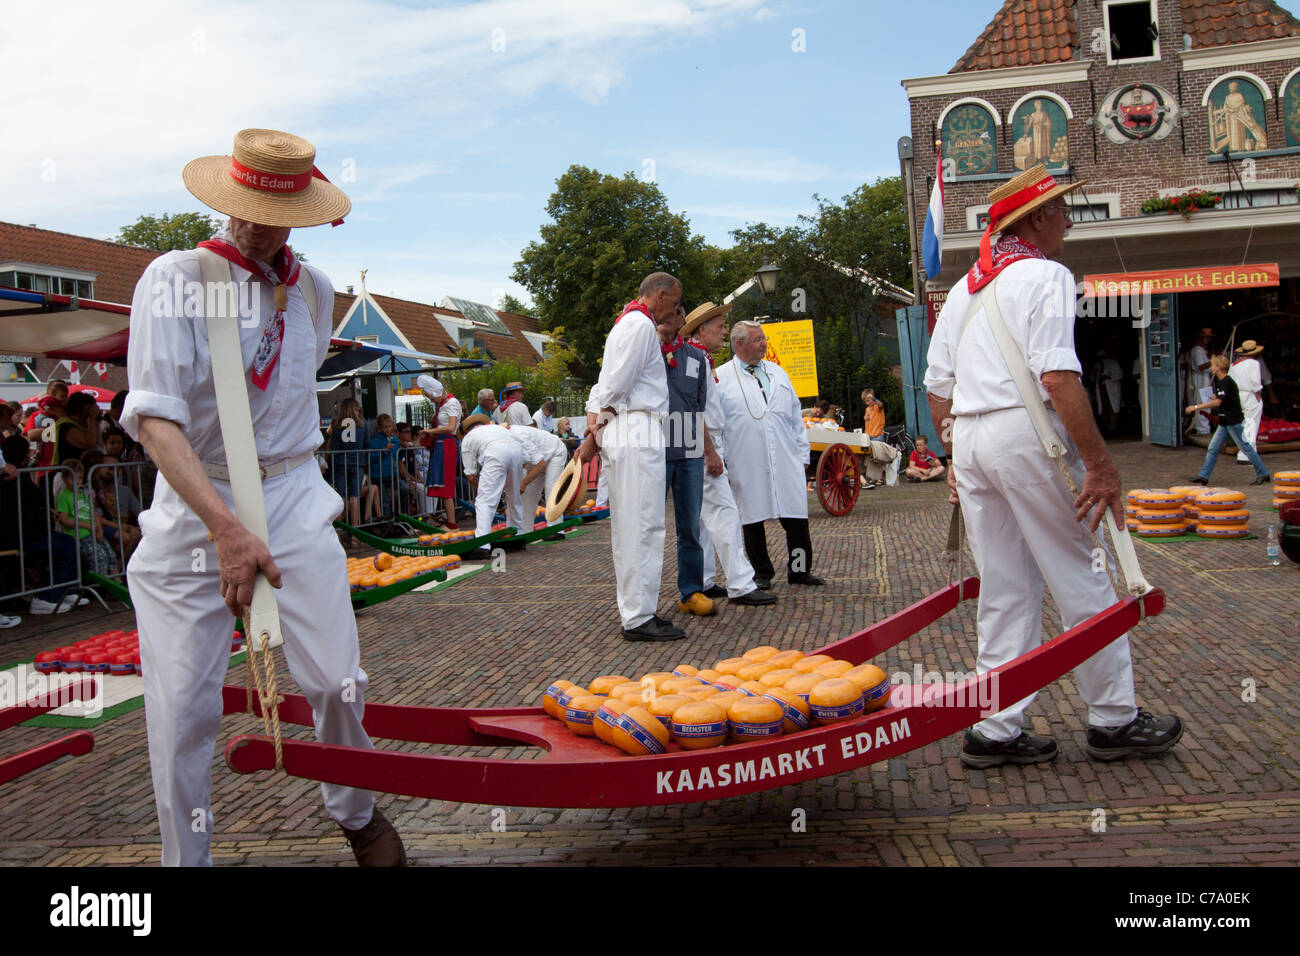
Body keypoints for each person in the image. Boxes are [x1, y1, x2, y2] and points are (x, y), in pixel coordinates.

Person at [120, 128, 404, 866]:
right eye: (240, 204)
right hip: (194, 502)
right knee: (182, 709)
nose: (251, 221)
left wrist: (273, 512)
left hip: (292, 491)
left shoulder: (312, 287)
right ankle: (188, 861)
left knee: (339, 681)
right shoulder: (174, 276)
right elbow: (153, 418)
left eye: (269, 209)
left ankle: (357, 810)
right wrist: (223, 526)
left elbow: (285, 399)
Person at [924, 164, 1182, 768]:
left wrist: (956, 453)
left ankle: (997, 727)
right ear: (1037, 219)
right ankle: (1113, 719)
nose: (1068, 218)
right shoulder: (1045, 275)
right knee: (1082, 573)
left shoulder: (966, 287)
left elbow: (938, 385)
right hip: (1026, 433)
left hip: (973, 437)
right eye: (1061, 209)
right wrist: (1100, 464)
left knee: (1006, 588)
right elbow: (1059, 376)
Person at [576, 273, 682, 641]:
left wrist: (598, 429)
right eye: (674, 301)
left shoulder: (628, 323)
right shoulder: (639, 325)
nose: (674, 309)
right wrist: (595, 433)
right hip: (636, 428)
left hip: (631, 427)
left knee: (636, 524)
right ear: (662, 295)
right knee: (642, 524)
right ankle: (638, 617)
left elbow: (607, 383)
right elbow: (616, 385)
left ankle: (640, 609)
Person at [681, 302, 776, 608]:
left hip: (700, 442)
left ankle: (705, 580)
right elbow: (694, 409)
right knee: (725, 513)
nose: (724, 331)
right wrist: (710, 451)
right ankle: (740, 583)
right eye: (720, 326)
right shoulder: (695, 359)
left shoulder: (697, 358)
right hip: (703, 443)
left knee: (705, 517)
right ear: (701, 330)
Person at [716, 320, 822, 589]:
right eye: (757, 339)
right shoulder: (721, 377)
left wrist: (802, 454)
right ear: (739, 344)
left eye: (763, 338)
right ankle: (762, 573)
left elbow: (795, 415)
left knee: (796, 516)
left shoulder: (777, 372)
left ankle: (799, 570)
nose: (764, 343)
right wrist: (721, 457)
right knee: (751, 516)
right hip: (745, 457)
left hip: (785, 455)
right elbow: (715, 421)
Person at [657, 303, 715, 617]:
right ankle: (643, 599)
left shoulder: (697, 359)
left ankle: (690, 592)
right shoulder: (645, 354)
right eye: (660, 317)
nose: (667, 321)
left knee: (690, 526)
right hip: (654, 452)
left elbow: (699, 410)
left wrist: (708, 450)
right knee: (649, 528)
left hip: (689, 453)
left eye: (673, 315)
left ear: (682, 319)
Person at [1187, 354, 1271, 486]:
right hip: (1225, 421)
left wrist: (1196, 407)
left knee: (1245, 448)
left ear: (1219, 367)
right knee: (1213, 448)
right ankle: (1203, 476)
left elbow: (1218, 402)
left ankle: (1263, 473)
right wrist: (1216, 396)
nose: (1212, 367)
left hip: (1232, 421)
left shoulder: (1226, 381)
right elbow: (1223, 397)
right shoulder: (1223, 381)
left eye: (1213, 365)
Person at [459, 414, 526, 554]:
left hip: (495, 452)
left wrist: (485, 487)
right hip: (516, 450)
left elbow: (470, 475)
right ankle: (518, 535)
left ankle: (483, 544)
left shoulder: (468, 439)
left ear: (466, 431)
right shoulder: (496, 428)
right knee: (514, 497)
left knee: (485, 500)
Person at [507, 420, 569, 533]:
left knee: (551, 489)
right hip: (539, 459)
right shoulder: (508, 439)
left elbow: (540, 464)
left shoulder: (520, 437)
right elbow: (524, 463)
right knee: (527, 495)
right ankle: (525, 531)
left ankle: (556, 529)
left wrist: (523, 483)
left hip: (555, 452)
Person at [417, 374, 460, 529]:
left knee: (445, 484)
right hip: (442, 444)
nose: (432, 400)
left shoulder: (451, 403)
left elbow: (451, 427)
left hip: (446, 444)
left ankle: (452, 523)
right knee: (443, 484)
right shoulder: (445, 404)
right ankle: (450, 521)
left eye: (431, 397)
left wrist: (431, 431)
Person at [328, 397, 370, 540]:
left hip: (340, 463)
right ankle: (355, 536)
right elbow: (367, 444)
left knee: (341, 498)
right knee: (355, 498)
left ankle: (339, 534)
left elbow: (333, 447)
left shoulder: (336, 425)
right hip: (357, 462)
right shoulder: (363, 424)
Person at [1230, 340, 1266, 464]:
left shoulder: (1234, 364)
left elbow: (1230, 381)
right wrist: (1258, 395)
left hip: (1237, 395)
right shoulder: (1254, 363)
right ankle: (1247, 455)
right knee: (1251, 424)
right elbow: (1256, 382)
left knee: (1245, 423)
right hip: (1250, 394)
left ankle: (1246, 452)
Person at [52, 392, 102, 465]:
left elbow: (100, 445)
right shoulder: (66, 426)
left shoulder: (85, 425)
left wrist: (97, 424)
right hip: (67, 472)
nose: (92, 411)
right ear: (79, 409)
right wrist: (92, 419)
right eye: (89, 409)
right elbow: (90, 443)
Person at [367, 413, 401, 518]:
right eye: (385, 427)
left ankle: (402, 515)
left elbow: (398, 456)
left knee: (404, 490)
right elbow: (371, 458)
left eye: (389, 426)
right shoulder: (375, 441)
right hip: (379, 475)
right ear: (380, 428)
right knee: (385, 500)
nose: (387, 429)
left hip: (392, 473)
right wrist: (383, 450)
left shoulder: (396, 440)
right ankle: (387, 523)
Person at [1187, 328, 1213, 435]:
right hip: (1200, 379)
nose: (1208, 339)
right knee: (1202, 404)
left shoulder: (1202, 349)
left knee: (1206, 403)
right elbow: (1201, 366)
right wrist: (1214, 361)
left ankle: (1204, 428)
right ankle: (1202, 430)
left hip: (1205, 378)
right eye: (1206, 337)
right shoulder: (1197, 350)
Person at [1094, 348, 1122, 434]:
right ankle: (1105, 429)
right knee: (1103, 409)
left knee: (1113, 408)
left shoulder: (1113, 363)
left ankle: (1113, 429)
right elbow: (1093, 378)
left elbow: (1120, 374)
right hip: (1101, 390)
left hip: (1112, 389)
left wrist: (1109, 377)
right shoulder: (1097, 365)